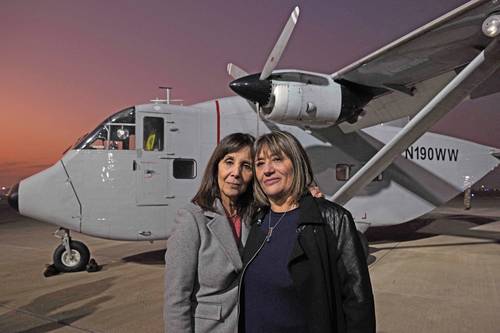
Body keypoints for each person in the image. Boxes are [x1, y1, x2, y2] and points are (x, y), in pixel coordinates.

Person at [240, 130, 375, 333]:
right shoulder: (257, 221)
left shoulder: (333, 219)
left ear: (296, 164)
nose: (267, 170)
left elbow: (358, 302)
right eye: (259, 163)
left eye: (277, 159)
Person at [164, 133, 255, 333]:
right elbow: (177, 298)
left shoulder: (253, 216)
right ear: (216, 167)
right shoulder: (192, 218)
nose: (236, 173)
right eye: (229, 162)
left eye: (246, 166)